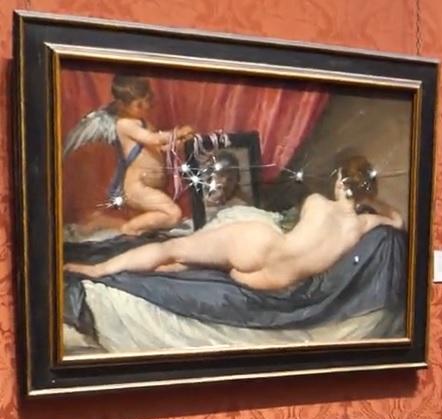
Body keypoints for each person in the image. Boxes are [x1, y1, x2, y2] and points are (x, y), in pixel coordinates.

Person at [64, 154, 404, 292]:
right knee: (186, 261)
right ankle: (126, 270)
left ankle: (99, 270)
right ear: (365, 193)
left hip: (259, 245)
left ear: (340, 181)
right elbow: (398, 220)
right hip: (271, 281)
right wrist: (370, 201)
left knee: (174, 249)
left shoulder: (317, 202)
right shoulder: (363, 225)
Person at [64, 74, 194, 236]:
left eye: (147, 100)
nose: (146, 106)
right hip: (136, 187)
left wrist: (179, 142)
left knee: (152, 219)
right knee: (172, 214)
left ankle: (101, 221)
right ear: (122, 104)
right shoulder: (124, 124)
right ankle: (129, 230)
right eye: (139, 104)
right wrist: (177, 133)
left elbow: (159, 147)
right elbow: (153, 139)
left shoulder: (145, 123)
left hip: (149, 186)